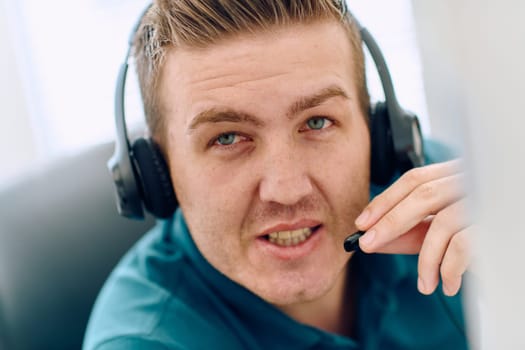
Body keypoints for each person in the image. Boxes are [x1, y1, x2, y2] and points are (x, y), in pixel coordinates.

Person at [83, 0, 471, 349]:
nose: (286, 190)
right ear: (156, 175)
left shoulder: (446, 202)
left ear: (380, 133)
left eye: (317, 122)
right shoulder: (143, 343)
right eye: (227, 137)